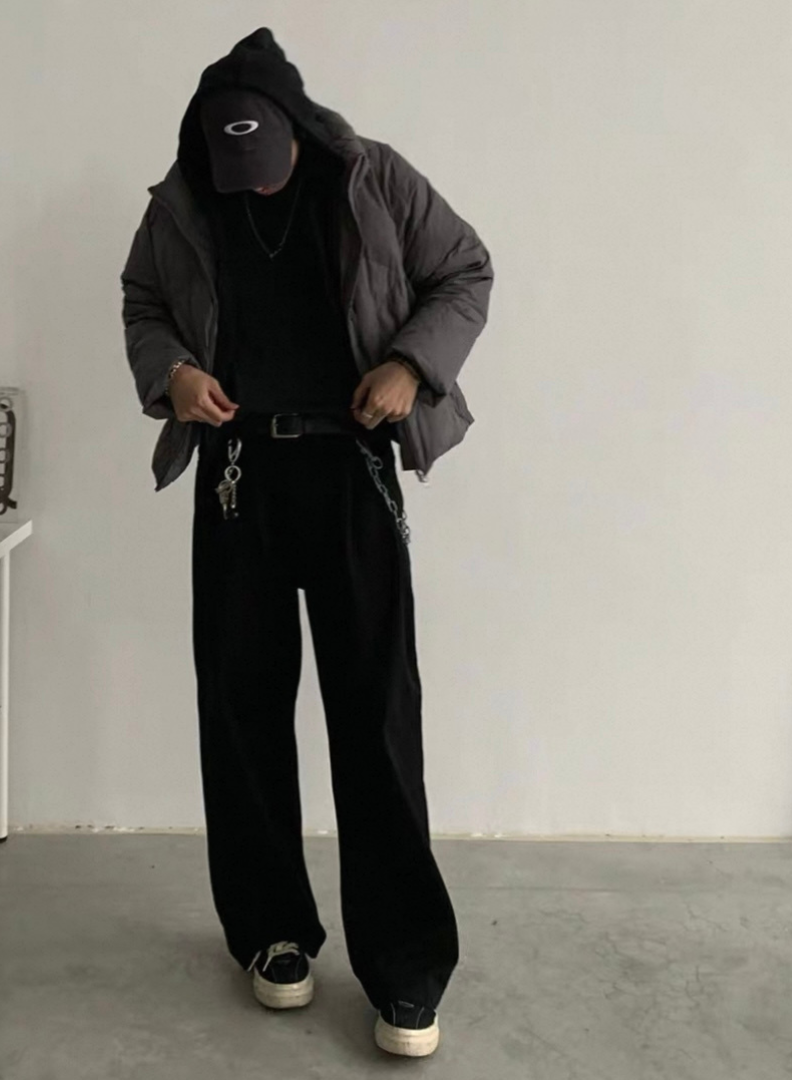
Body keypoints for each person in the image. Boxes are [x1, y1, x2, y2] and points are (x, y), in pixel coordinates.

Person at [120, 26, 493, 1058]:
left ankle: (406, 965)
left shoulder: (375, 179)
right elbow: (144, 301)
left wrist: (412, 366)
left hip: (351, 467)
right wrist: (173, 375)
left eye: (265, 159)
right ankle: (271, 931)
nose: (250, 183)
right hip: (238, 473)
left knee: (376, 712)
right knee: (242, 709)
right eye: (228, 162)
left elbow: (464, 271)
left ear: (299, 128)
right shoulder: (184, 200)